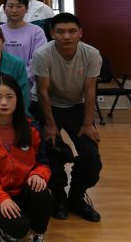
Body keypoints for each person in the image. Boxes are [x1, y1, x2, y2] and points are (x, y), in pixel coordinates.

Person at [32, 13, 102, 222]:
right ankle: (59, 197)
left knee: (91, 157)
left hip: (76, 105)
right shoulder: (42, 54)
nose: (66, 36)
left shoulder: (92, 54)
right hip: (47, 104)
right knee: (50, 151)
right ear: (52, 34)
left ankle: (77, 197)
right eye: (60, 32)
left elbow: (90, 90)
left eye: (72, 31)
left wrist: (88, 123)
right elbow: (43, 91)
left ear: (80, 33)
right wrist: (50, 124)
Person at [0, 74, 52, 242]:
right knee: (18, 227)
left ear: (18, 99)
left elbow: (43, 163)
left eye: (9, 97)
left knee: (42, 193)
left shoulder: (32, 128)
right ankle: (6, 230)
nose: (4, 102)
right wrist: (1, 198)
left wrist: (39, 174)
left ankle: (37, 234)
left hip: (25, 189)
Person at [0, 0, 47, 109]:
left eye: (19, 6)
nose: (14, 10)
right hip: (0, 84)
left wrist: (19, 78)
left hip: (28, 85)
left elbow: (38, 60)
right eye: (10, 6)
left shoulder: (36, 31)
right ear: (4, 9)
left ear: (26, 9)